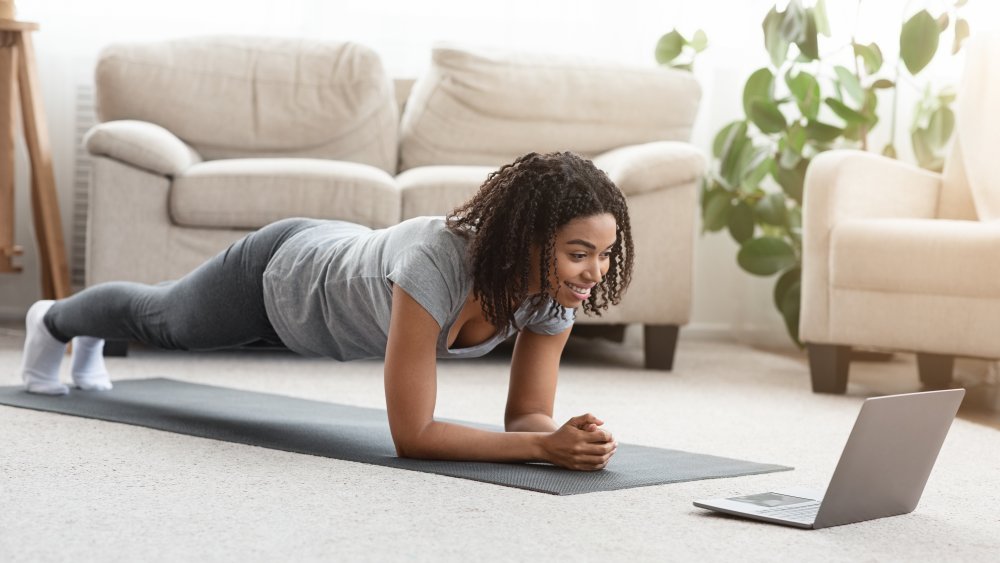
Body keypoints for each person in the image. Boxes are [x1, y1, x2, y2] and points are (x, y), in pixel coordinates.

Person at [18, 151, 634, 471]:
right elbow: (412, 436)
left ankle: (78, 331)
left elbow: (527, 414)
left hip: (329, 313)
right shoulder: (436, 263)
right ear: (525, 240)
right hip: (280, 275)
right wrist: (538, 450)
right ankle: (54, 321)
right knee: (164, 321)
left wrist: (564, 439)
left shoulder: (554, 293)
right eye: (579, 253)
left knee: (164, 322)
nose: (594, 274)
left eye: (605, 255)